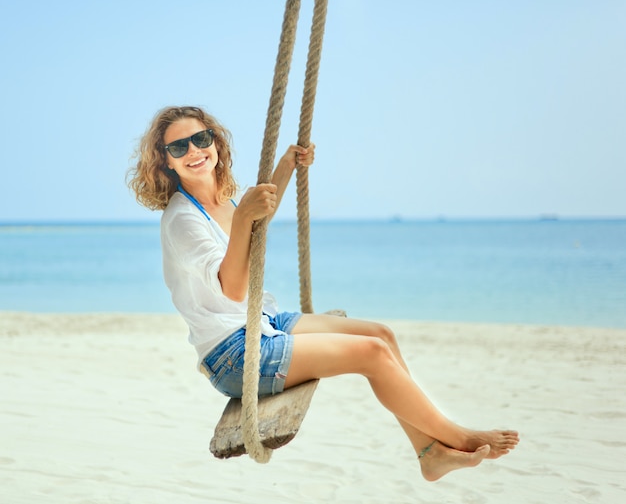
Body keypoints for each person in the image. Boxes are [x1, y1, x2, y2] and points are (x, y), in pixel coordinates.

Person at [128, 105, 519, 481]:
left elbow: (259, 215)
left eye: (201, 138)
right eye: (179, 147)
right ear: (165, 162)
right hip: (233, 355)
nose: (194, 151)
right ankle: (456, 437)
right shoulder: (182, 219)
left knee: (380, 334)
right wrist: (245, 215)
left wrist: (287, 164)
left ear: (215, 141)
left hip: (262, 324)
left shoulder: (223, 200)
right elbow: (233, 290)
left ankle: (428, 453)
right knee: (373, 355)